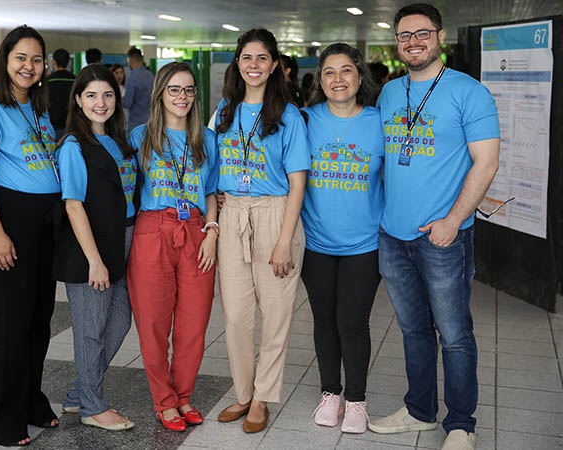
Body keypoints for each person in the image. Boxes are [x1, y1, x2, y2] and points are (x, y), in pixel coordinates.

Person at [366, 5, 500, 450]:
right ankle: (420, 411)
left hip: (443, 238)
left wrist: (454, 220)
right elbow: (378, 162)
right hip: (393, 236)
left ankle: (461, 425)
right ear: (397, 42)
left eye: (422, 33)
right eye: (405, 35)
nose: (413, 42)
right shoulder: (388, 93)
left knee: (455, 335)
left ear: (440, 36)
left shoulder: (469, 92)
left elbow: (487, 162)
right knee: (413, 330)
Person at [0, 25, 61, 447]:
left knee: (39, 320)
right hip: (5, 221)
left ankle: (30, 399)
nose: (29, 66)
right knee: (10, 324)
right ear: (5, 61)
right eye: (21, 57)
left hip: (41, 223)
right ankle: (2, 419)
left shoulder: (37, 106)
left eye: (36, 59)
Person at [214, 28, 308, 434]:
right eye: (247, 58)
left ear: (275, 66)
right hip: (233, 214)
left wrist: (285, 240)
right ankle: (243, 392)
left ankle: (263, 397)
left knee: (275, 317)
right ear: (238, 63)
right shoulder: (225, 109)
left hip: (275, 215)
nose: (254, 65)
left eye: (262, 58)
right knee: (236, 317)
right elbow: (212, 166)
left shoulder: (288, 114)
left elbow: (298, 178)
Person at [127, 62, 219, 432]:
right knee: (153, 324)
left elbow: (211, 191)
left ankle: (183, 396)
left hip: (197, 232)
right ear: (160, 94)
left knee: (194, 324)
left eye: (189, 90)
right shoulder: (139, 138)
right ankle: (164, 401)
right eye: (174, 89)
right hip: (153, 231)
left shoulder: (207, 139)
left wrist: (212, 232)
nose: (182, 97)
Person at [298, 43, 383, 434]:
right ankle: (330, 393)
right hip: (316, 243)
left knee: (353, 322)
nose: (338, 79)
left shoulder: (378, 122)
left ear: (359, 76)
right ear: (320, 79)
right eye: (329, 72)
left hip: (364, 244)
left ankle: (356, 400)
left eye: (346, 70)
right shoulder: (304, 120)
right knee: (324, 322)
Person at [54, 63, 138, 432]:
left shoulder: (121, 142)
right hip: (91, 248)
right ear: (78, 100)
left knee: (119, 321)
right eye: (91, 95)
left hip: (125, 239)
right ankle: (93, 405)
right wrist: (95, 261)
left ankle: (77, 394)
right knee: (90, 329)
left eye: (107, 95)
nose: (100, 102)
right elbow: (73, 204)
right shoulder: (74, 146)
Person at [123, 46, 154, 134]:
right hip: (150, 120)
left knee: (134, 147)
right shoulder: (151, 76)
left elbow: (127, 103)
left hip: (136, 122)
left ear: (129, 60)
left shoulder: (132, 78)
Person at [47, 48, 76, 140]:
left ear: (53, 61)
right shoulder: (75, 80)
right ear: (68, 62)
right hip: (71, 125)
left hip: (51, 125)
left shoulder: (47, 81)